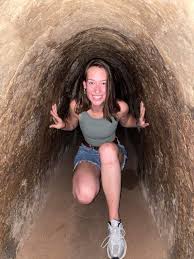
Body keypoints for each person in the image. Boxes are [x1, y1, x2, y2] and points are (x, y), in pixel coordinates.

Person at [49, 59, 149, 259]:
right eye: (92, 82)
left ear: (109, 85)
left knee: (106, 151)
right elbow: (71, 123)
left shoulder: (118, 107)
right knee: (84, 195)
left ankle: (114, 223)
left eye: (103, 83)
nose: (97, 89)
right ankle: (99, 176)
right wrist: (63, 125)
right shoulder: (76, 106)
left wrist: (137, 122)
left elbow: (127, 121)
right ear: (84, 85)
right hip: (88, 152)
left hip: (113, 151)